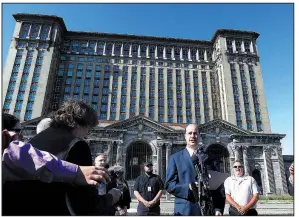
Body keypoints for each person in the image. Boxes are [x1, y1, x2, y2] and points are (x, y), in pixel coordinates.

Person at [3, 100, 122, 215]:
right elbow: (87, 207)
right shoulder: (77, 145)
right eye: (88, 129)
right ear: (80, 124)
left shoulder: (34, 141)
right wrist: (111, 197)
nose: (87, 135)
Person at [2, 113, 110, 187]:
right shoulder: (78, 148)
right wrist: (77, 172)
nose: (21, 136)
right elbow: (29, 158)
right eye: (18, 131)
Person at [165, 124, 218, 216]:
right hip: (185, 209)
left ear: (199, 136)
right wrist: (188, 187)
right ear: (185, 136)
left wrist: (218, 208)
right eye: (190, 133)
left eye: (195, 133)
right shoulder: (175, 158)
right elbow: (169, 185)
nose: (193, 136)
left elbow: (218, 186)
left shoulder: (209, 158)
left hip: (208, 210)